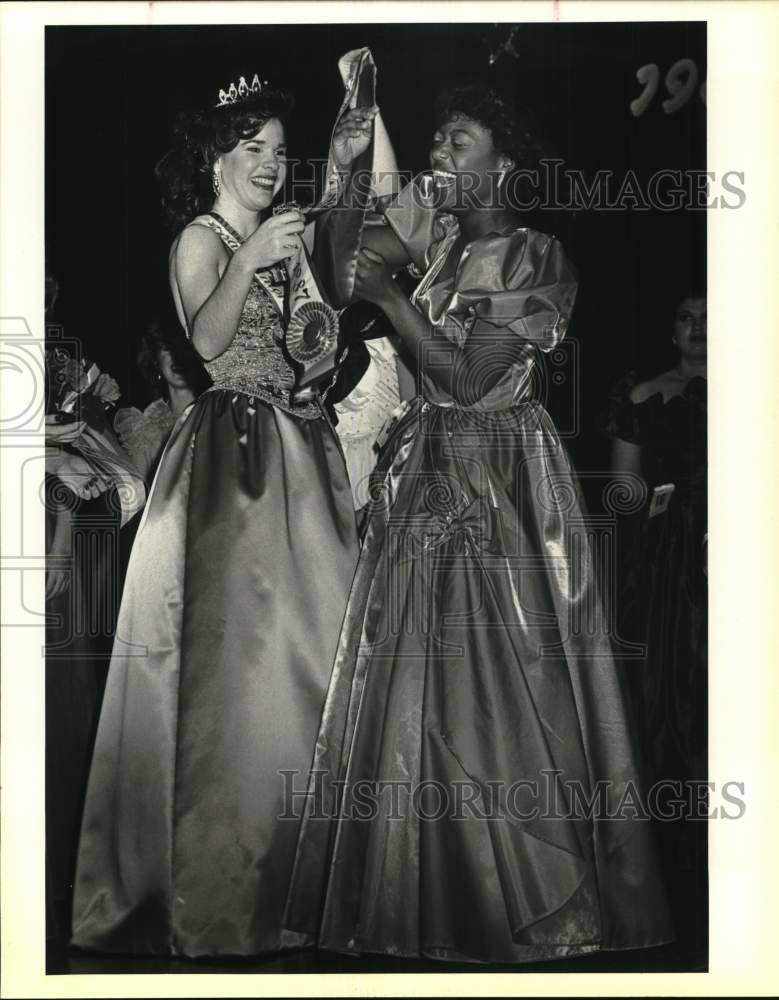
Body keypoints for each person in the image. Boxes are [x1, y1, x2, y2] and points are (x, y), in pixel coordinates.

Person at [283, 84, 673, 963]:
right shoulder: (439, 238)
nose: (437, 156)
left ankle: (517, 899)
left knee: (500, 687)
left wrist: (387, 296)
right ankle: (429, 898)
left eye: (455, 142)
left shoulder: (536, 255)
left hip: (500, 488)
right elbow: (341, 262)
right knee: (417, 686)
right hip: (425, 477)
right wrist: (345, 173)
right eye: (435, 140)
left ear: (505, 162)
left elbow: (463, 378)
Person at [70, 78, 359, 958]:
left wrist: (343, 173)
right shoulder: (203, 237)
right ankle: (223, 892)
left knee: (320, 656)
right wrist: (250, 260)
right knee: (239, 673)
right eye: (253, 148)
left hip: (302, 450)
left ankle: (300, 883)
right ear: (214, 159)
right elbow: (203, 341)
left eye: (280, 148)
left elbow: (322, 315)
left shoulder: (284, 239)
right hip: (233, 459)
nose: (271, 163)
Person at [609, 288, 708, 964]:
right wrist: (652, 503)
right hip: (669, 567)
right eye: (684, 316)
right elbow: (621, 492)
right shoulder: (643, 394)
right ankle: (676, 846)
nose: (696, 329)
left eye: (709, 316)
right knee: (668, 690)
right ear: (670, 327)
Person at [114, 318, 211, 484]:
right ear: (156, 361)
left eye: (184, 349)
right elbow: (136, 494)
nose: (176, 357)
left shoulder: (216, 415)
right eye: (167, 349)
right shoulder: (143, 427)